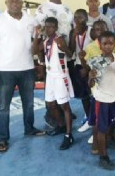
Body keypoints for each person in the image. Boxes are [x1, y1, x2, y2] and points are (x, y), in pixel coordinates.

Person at [0, 0, 45, 153]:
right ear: (6, 3)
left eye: (17, 1)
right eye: (11, 1)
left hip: (27, 68)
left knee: (29, 103)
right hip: (6, 71)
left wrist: (39, 63)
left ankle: (30, 128)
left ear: (21, 3)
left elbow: (36, 42)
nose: (14, 3)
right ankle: (2, 138)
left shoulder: (30, 19)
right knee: (3, 107)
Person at [35, 0, 74, 129]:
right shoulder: (42, 8)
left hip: (65, 54)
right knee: (50, 88)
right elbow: (37, 30)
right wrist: (40, 57)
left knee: (63, 87)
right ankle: (52, 117)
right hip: (50, 55)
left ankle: (65, 113)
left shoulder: (67, 9)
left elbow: (71, 30)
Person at [88, 31, 115, 170]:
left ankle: (106, 141)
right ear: (100, 45)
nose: (108, 46)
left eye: (111, 43)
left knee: (113, 121)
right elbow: (90, 84)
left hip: (113, 97)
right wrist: (91, 77)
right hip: (101, 99)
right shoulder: (96, 61)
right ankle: (103, 157)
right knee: (101, 128)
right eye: (105, 43)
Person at [37, 17, 74, 149]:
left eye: (51, 27)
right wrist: (37, 35)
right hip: (50, 76)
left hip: (60, 76)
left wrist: (64, 47)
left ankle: (69, 136)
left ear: (56, 27)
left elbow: (70, 55)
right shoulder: (46, 40)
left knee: (64, 106)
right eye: (46, 27)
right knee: (51, 104)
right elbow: (37, 50)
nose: (48, 29)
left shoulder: (60, 40)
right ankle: (61, 126)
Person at [69, 9, 93, 133]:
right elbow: (72, 50)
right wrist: (73, 36)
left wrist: (88, 68)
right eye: (76, 17)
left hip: (91, 67)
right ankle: (89, 119)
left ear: (86, 19)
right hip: (79, 66)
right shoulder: (73, 32)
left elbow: (97, 50)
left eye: (81, 17)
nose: (78, 20)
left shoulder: (91, 31)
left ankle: (95, 119)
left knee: (93, 95)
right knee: (83, 95)